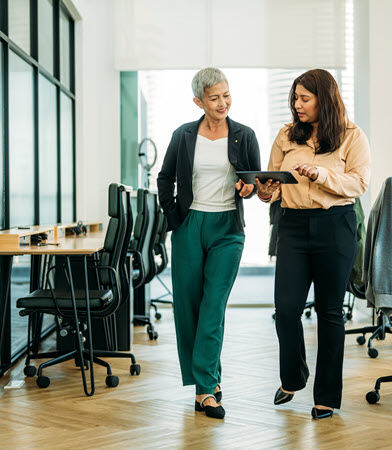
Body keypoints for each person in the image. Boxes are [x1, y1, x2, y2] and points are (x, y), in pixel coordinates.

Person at [256, 69, 371, 419]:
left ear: (325, 98)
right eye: (295, 98)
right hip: (292, 225)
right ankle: (293, 377)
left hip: (334, 226)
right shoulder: (287, 135)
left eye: (305, 98)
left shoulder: (352, 136)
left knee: (330, 312)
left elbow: (359, 183)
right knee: (286, 309)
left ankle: (327, 397)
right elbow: (272, 184)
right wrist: (265, 190)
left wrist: (321, 174)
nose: (297, 104)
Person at [157, 68, 261, 419]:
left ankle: (205, 389)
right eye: (214, 97)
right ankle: (207, 382)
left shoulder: (244, 135)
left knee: (213, 306)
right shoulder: (184, 135)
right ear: (198, 101)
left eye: (226, 95)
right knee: (188, 308)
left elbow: (255, 181)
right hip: (190, 224)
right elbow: (165, 177)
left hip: (227, 228)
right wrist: (174, 218)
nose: (223, 103)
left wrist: (250, 188)